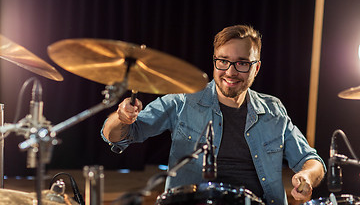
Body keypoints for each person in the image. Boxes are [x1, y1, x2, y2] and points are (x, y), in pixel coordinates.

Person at [101, 24, 325, 204]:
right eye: (223, 61)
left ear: (256, 68)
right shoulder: (183, 101)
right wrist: (121, 118)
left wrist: (306, 177)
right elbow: (117, 134)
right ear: (214, 61)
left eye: (242, 63)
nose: (230, 71)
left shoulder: (273, 110)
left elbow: (312, 161)